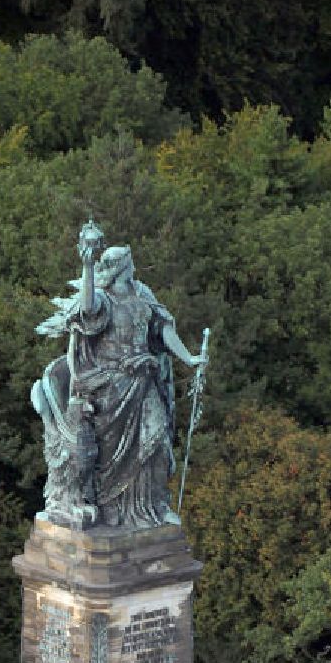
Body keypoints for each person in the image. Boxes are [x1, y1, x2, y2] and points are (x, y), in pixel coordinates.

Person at [33, 221, 207, 530]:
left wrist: (189, 357)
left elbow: (163, 329)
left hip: (144, 379)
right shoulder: (102, 298)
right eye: (127, 262)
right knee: (105, 451)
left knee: (155, 440)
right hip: (111, 385)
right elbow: (86, 309)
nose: (133, 266)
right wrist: (87, 264)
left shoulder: (142, 292)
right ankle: (108, 505)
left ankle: (149, 507)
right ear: (120, 267)